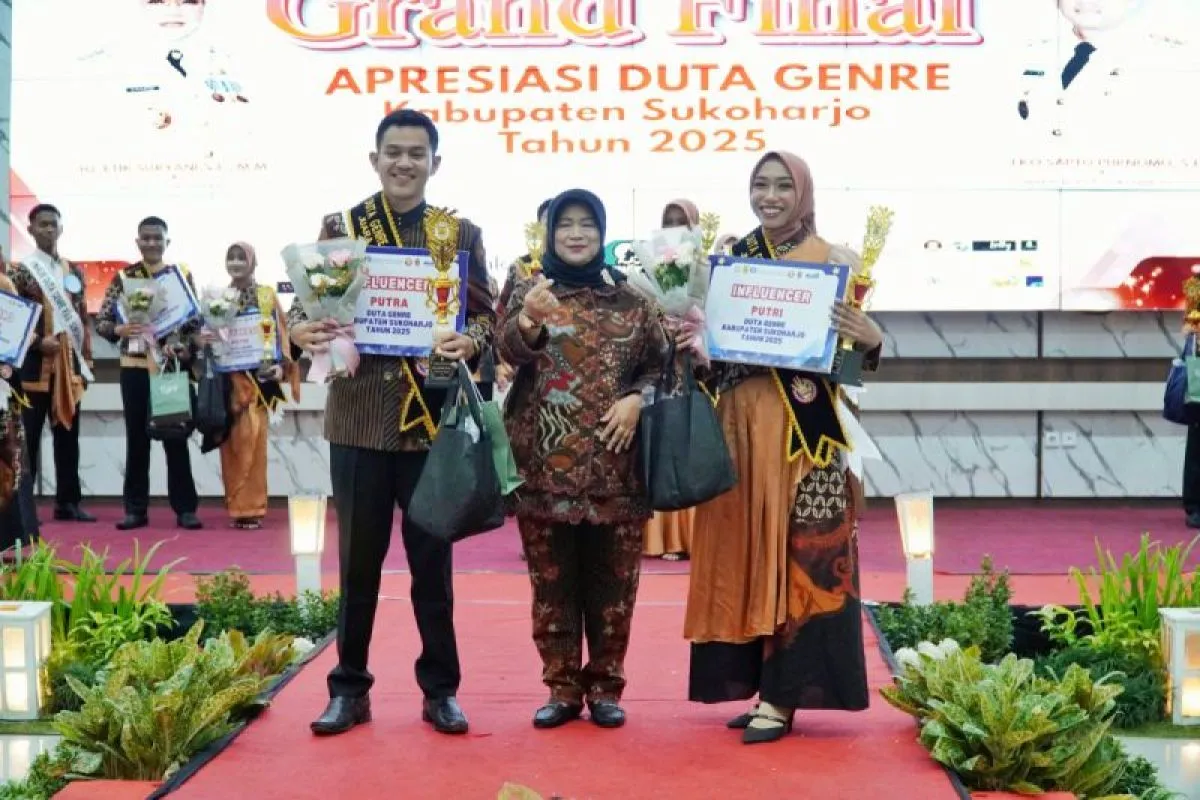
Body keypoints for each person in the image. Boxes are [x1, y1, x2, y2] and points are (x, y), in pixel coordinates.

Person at [287, 109, 494, 737]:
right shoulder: (342, 227)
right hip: (357, 420)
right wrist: (300, 331)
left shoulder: (459, 233)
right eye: (393, 152)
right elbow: (303, 308)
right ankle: (349, 689)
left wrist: (471, 341)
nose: (404, 163)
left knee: (433, 566)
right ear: (374, 159)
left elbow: (485, 315)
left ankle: (441, 690)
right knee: (358, 567)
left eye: (416, 153)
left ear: (435, 162)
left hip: (428, 422)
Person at [683, 151, 884, 745]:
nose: (770, 197)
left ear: (803, 194)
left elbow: (849, 373)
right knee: (744, 553)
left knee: (801, 558)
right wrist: (693, 344)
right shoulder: (729, 261)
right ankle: (757, 686)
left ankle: (784, 694)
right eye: (760, 185)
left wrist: (870, 342)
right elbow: (713, 362)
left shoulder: (835, 263)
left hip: (804, 439)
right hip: (738, 430)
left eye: (782, 186)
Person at [498, 189, 667, 730]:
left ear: (602, 233)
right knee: (552, 585)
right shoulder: (531, 290)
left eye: (587, 224)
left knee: (614, 586)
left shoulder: (632, 299)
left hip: (617, 471)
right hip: (542, 469)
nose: (576, 234)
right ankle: (563, 687)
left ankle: (607, 688)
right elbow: (505, 349)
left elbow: (663, 367)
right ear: (550, 234)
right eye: (565, 224)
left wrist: (637, 398)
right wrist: (528, 321)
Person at [94, 216, 202, 531]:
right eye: (146, 238)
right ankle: (135, 510)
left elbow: (193, 323)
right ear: (138, 242)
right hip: (134, 367)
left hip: (169, 368)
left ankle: (185, 509)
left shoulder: (180, 277)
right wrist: (120, 329)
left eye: (158, 238)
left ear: (167, 242)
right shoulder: (124, 277)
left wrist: (182, 347)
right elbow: (102, 322)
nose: (152, 243)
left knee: (175, 439)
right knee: (137, 440)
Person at [7, 204, 95, 524]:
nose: (48, 229)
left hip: (68, 365)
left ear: (61, 229)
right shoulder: (20, 270)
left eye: (53, 224)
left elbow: (81, 316)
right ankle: (24, 509)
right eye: (42, 224)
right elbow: (10, 316)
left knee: (68, 436)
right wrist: (35, 342)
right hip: (33, 367)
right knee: (28, 439)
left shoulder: (74, 271)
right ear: (30, 229)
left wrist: (86, 358)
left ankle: (68, 502)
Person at [201, 242, 298, 530]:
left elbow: (282, 336)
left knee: (254, 445)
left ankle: (253, 508)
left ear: (253, 262)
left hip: (258, 384)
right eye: (230, 257)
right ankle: (235, 504)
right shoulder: (218, 299)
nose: (235, 262)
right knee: (230, 447)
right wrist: (205, 341)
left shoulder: (266, 295)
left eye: (241, 257)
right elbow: (206, 339)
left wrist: (280, 367)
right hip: (228, 385)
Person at [642, 198, 701, 563]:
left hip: (699, 374)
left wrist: (697, 334)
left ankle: (691, 537)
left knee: (690, 450)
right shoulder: (653, 267)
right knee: (662, 448)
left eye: (682, 220)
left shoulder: (705, 268)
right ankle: (660, 538)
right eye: (669, 221)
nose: (676, 227)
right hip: (661, 372)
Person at [0, 271, 29, 555]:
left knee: (7, 462)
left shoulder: (4, 284)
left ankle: (7, 537)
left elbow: (18, 331)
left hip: (3, 383)